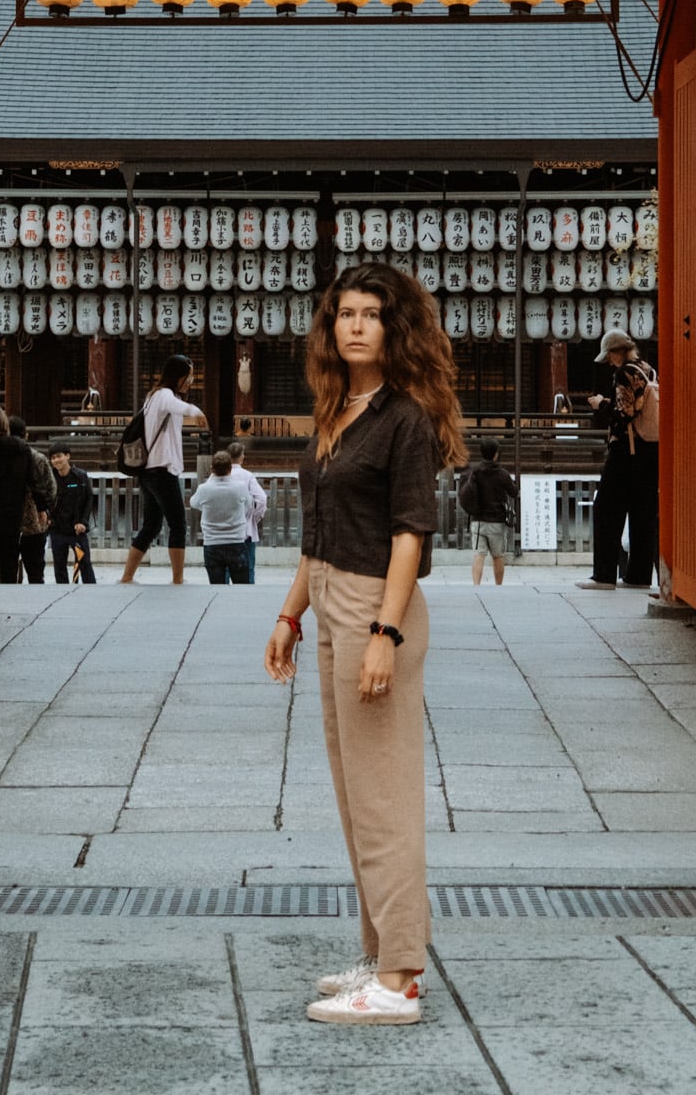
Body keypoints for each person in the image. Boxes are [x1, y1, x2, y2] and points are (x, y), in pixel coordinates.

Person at [265, 264, 466, 1028]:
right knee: (356, 797)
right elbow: (317, 538)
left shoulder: (404, 417)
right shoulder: (337, 409)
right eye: (343, 313)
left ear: (395, 328)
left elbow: (410, 531)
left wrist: (384, 631)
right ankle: (380, 952)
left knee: (383, 797)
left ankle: (398, 979)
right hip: (328, 601)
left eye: (370, 314)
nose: (354, 325)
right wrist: (289, 616)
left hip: (374, 606)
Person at [578, 329, 660, 591]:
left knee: (606, 508)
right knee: (642, 511)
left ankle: (603, 575)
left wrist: (602, 403)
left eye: (610, 356)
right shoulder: (648, 369)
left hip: (628, 448)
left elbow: (623, 414)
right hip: (651, 449)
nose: (609, 362)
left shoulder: (624, 372)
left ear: (617, 352)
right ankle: (639, 574)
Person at [119, 353, 207, 586]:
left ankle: (127, 577)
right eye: (187, 377)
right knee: (178, 524)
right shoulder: (164, 395)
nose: (190, 382)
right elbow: (176, 406)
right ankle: (178, 579)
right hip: (161, 471)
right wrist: (196, 411)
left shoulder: (153, 396)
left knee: (152, 525)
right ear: (176, 377)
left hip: (149, 471)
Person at [0, 405, 55, 586]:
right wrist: (42, 507)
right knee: (10, 557)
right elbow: (33, 481)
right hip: (13, 512)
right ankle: (9, 592)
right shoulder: (22, 449)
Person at [459, 437, 518, 586]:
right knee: (498, 556)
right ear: (496, 454)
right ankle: (498, 586)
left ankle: (476, 586)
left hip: (477, 520)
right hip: (496, 521)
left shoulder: (474, 472)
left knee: (479, 555)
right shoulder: (502, 473)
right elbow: (514, 492)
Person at [191, 450, 252, 584]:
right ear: (230, 468)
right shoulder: (240, 487)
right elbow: (249, 506)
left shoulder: (204, 489)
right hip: (236, 541)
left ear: (212, 469)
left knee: (216, 586)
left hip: (212, 543)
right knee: (242, 587)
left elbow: (193, 503)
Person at [8, 417, 57, 585]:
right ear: (26, 435)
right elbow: (51, 489)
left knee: (8, 571)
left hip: (9, 521)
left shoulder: (3, 458)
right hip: (35, 521)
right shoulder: (38, 458)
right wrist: (47, 510)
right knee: (36, 572)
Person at [49, 445, 96, 584]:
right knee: (59, 566)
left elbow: (88, 500)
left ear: (67, 456)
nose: (56, 460)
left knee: (84, 563)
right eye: (53, 458)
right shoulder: (51, 477)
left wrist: (83, 522)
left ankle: (92, 591)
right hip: (57, 529)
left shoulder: (80, 476)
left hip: (77, 530)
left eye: (59, 456)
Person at [227, 439, 268, 582]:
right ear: (242, 456)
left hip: (226, 527)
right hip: (246, 527)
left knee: (226, 566)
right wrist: (255, 517)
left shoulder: (221, 474)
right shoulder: (248, 476)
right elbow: (262, 499)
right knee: (248, 566)